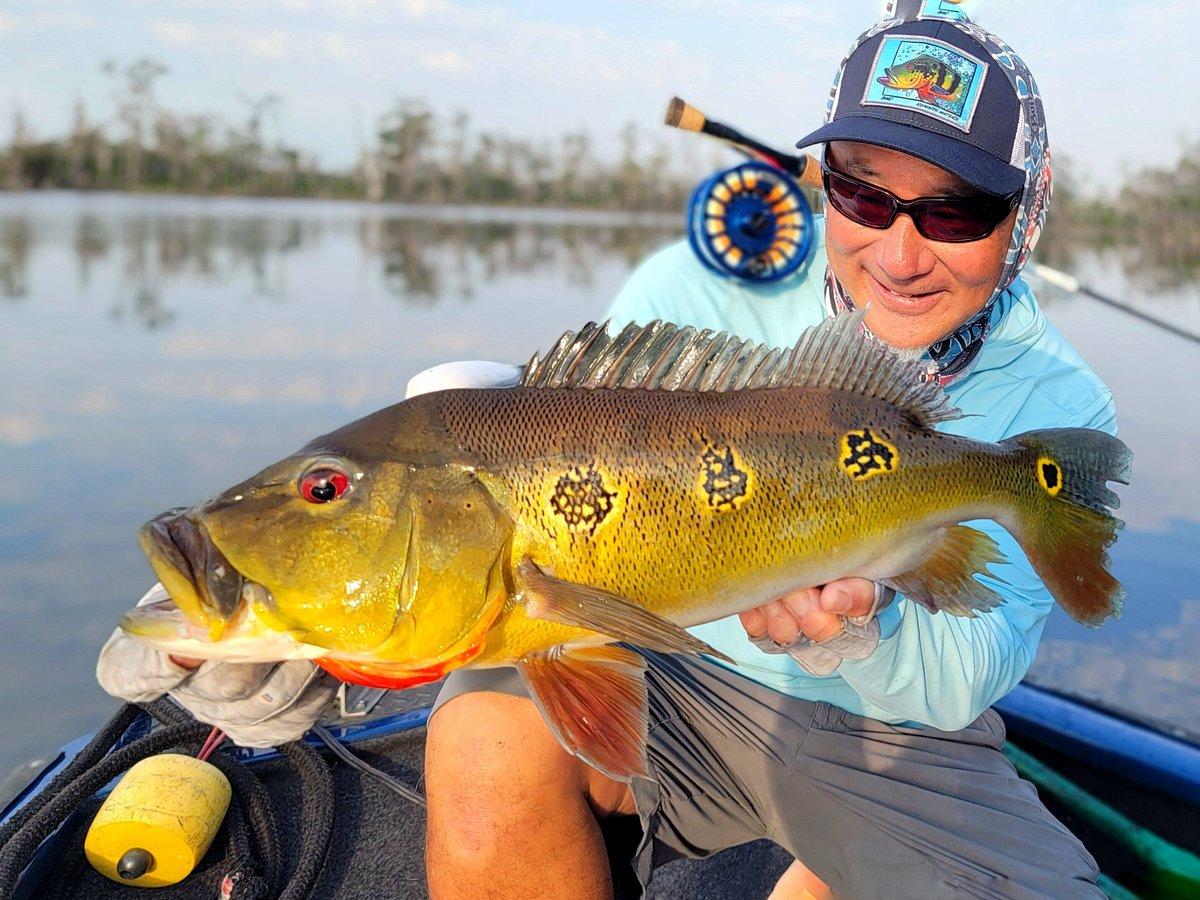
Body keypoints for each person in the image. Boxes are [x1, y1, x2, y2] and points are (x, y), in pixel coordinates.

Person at [98, 11, 1114, 899]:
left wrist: (864, 629)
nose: (898, 251)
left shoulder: (1060, 405)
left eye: (954, 213)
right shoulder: (687, 293)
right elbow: (507, 613)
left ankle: (832, 853)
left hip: (894, 734)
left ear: (1021, 218)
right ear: (827, 184)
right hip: (674, 673)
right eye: (861, 193)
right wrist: (286, 650)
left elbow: (962, 677)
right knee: (484, 736)